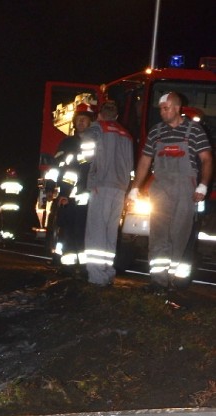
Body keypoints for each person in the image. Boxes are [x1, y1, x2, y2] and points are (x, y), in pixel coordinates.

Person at [129, 92, 213, 292]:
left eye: (165, 108)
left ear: (177, 108)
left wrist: (203, 185)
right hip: (160, 187)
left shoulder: (194, 130)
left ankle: (174, 282)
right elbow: (145, 161)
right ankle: (158, 282)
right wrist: (134, 188)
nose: (162, 112)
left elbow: (207, 159)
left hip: (186, 188)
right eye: (160, 109)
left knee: (179, 234)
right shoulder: (156, 132)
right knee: (158, 234)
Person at [83, 100, 134, 286]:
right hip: (119, 188)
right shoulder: (126, 135)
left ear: (100, 114)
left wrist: (91, 176)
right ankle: (107, 272)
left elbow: (87, 156)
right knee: (110, 233)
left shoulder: (96, 129)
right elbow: (130, 166)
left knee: (96, 231)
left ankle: (96, 277)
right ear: (117, 116)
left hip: (100, 185)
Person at [51, 102, 97, 270]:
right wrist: (54, 189)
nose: (81, 123)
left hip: (87, 194)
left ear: (91, 122)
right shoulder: (67, 143)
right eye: (79, 120)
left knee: (82, 230)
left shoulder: (96, 143)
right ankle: (67, 266)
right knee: (67, 229)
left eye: (84, 120)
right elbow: (59, 167)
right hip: (69, 193)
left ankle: (83, 267)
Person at [0, 168, 23, 242]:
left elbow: (0, 196)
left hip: (5, 207)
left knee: (5, 223)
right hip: (15, 207)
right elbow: (21, 196)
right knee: (13, 223)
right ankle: (11, 237)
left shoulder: (3, 184)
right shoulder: (19, 185)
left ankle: (4, 238)